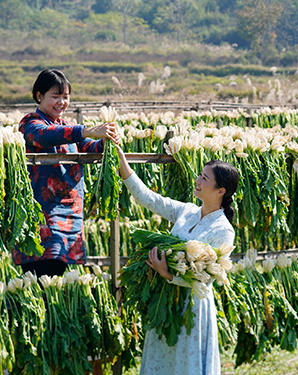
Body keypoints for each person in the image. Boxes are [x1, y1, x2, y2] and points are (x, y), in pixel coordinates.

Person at [115, 144, 239, 375]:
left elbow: (206, 280)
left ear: (220, 190)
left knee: (185, 362)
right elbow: (149, 199)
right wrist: (121, 160)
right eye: (200, 175)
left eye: (204, 178)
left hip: (191, 306)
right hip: (166, 300)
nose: (198, 180)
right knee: (161, 360)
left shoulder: (223, 231)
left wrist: (168, 274)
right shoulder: (188, 211)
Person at [13, 68, 119, 277]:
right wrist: (85, 130)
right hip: (43, 215)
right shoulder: (31, 123)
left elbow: (90, 148)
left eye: (65, 97)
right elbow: (42, 136)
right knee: (42, 277)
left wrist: (107, 140)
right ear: (39, 96)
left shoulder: (67, 126)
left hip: (69, 215)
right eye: (55, 96)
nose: (61, 102)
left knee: (57, 278)